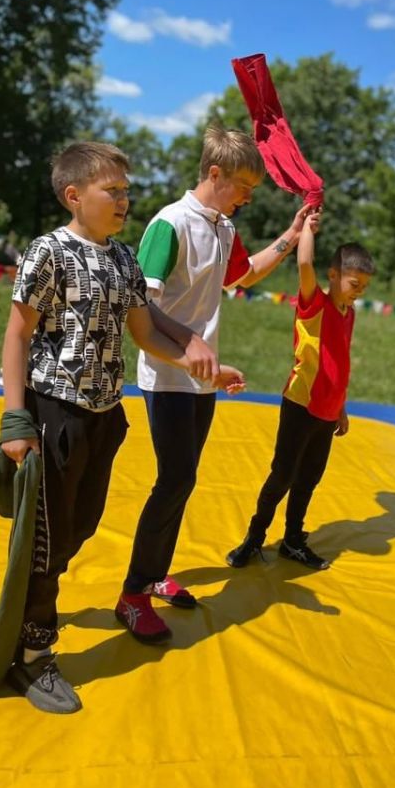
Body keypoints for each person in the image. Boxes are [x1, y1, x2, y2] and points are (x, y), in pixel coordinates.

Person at [0, 141, 244, 714]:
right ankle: (32, 657)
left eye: (127, 191)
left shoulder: (123, 259)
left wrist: (199, 362)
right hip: (55, 412)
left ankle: (38, 600)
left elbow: (146, 333)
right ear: (74, 195)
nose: (125, 201)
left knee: (80, 528)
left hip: (106, 416)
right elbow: (16, 334)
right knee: (49, 539)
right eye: (114, 191)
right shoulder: (48, 253)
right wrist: (15, 419)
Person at [117, 125, 316, 642]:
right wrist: (193, 357)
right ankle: (133, 594)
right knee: (175, 480)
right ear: (214, 173)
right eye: (244, 187)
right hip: (167, 374)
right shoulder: (169, 224)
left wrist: (291, 236)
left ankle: (156, 574)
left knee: (184, 481)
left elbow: (243, 275)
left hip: (200, 378)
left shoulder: (223, 227)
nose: (249, 198)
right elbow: (143, 307)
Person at [226, 216, 375, 571]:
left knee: (308, 479)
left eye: (364, 287)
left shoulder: (347, 312)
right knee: (282, 476)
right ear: (334, 275)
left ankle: (293, 540)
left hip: (326, 412)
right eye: (355, 283)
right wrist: (307, 225)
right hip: (300, 405)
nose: (359, 292)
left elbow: (340, 362)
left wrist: (341, 407)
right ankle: (254, 538)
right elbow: (304, 262)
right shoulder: (314, 305)